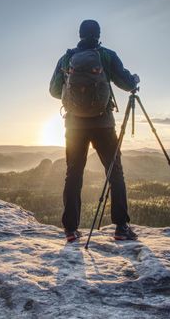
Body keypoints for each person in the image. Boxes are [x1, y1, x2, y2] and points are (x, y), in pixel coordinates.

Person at [49, 19, 140, 242]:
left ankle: (70, 230)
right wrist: (134, 80)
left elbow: (53, 90)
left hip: (74, 126)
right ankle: (121, 228)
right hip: (103, 124)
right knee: (114, 172)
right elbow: (126, 83)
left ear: (79, 34)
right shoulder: (106, 55)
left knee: (74, 174)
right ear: (98, 35)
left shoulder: (67, 58)